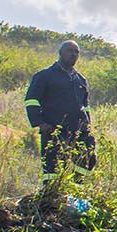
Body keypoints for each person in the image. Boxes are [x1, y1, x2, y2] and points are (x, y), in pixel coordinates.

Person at [23, 40, 94, 184]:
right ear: (60, 52)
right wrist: (40, 123)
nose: (73, 54)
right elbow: (31, 100)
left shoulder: (80, 80)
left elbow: (85, 105)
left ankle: (75, 192)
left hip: (78, 130)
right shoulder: (44, 76)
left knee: (87, 158)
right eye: (70, 51)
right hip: (53, 129)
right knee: (52, 168)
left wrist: (88, 125)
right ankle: (49, 199)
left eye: (76, 52)